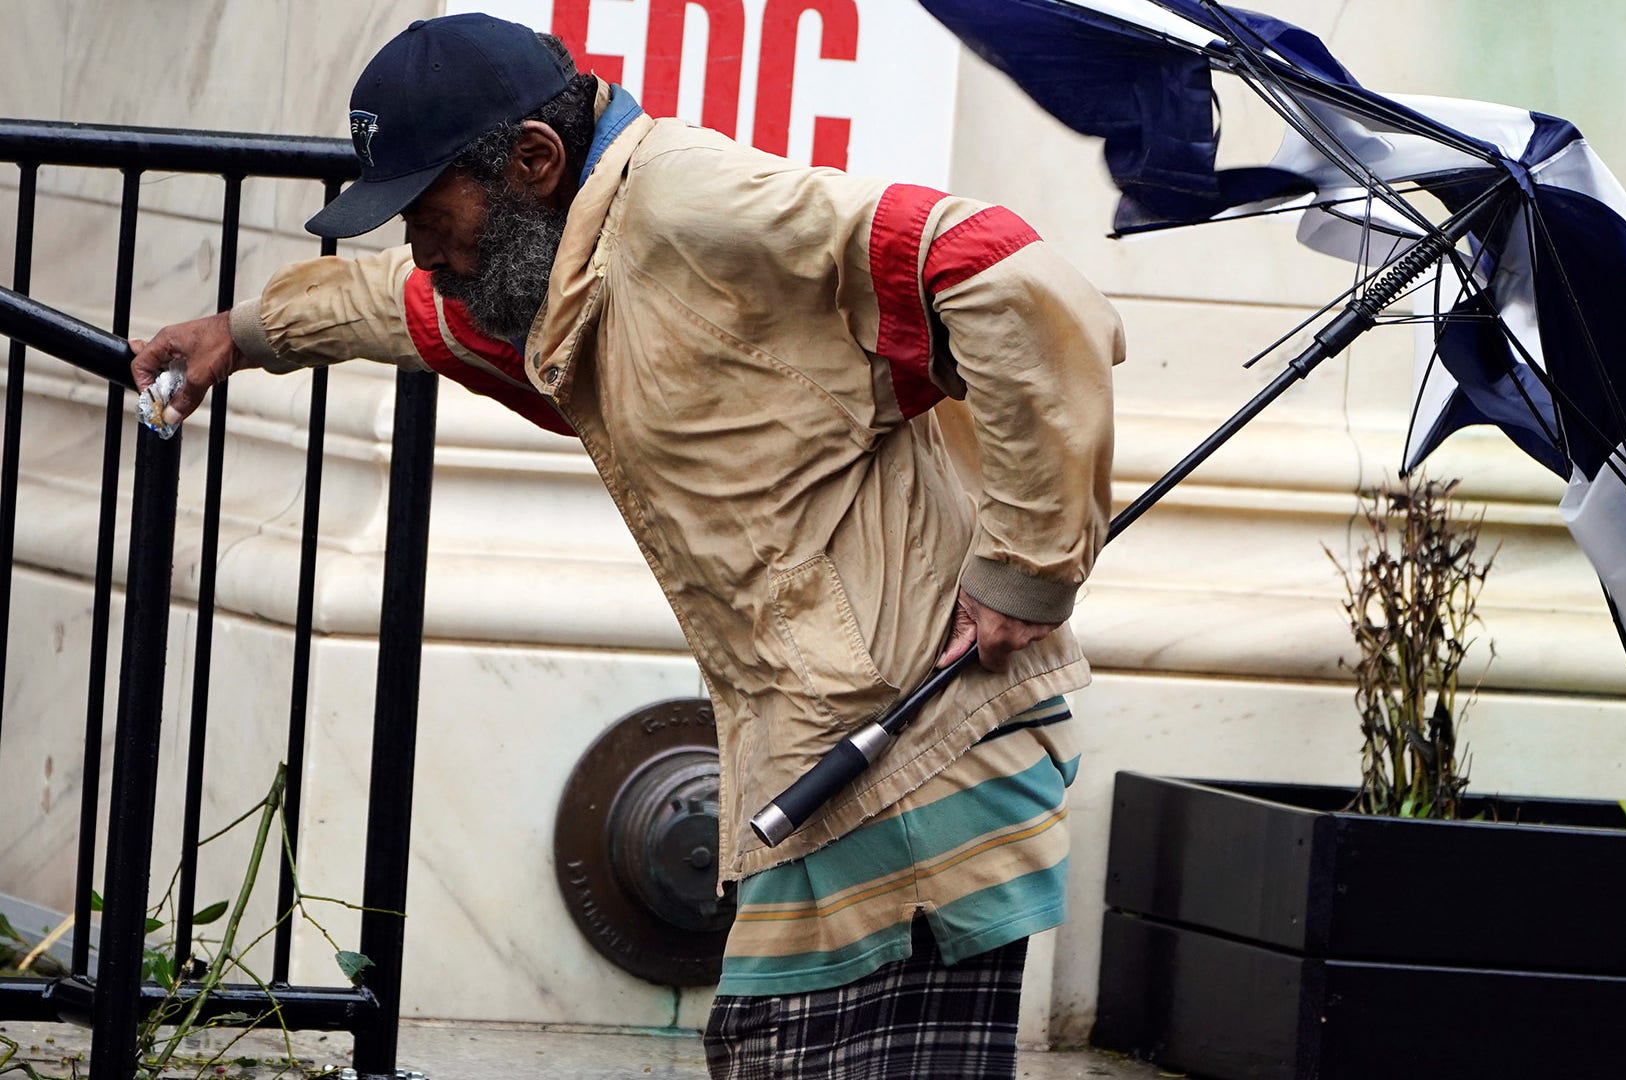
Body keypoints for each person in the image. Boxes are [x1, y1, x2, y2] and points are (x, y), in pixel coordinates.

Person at [130, 14, 1120, 1079]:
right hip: (840, 745)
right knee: (763, 1051)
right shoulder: (570, 262)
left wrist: (1026, 567)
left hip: (922, 756)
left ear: (535, 160)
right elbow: (410, 306)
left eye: (428, 212)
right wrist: (245, 333)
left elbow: (1003, 274)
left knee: (771, 1051)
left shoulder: (692, 205)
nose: (420, 244)